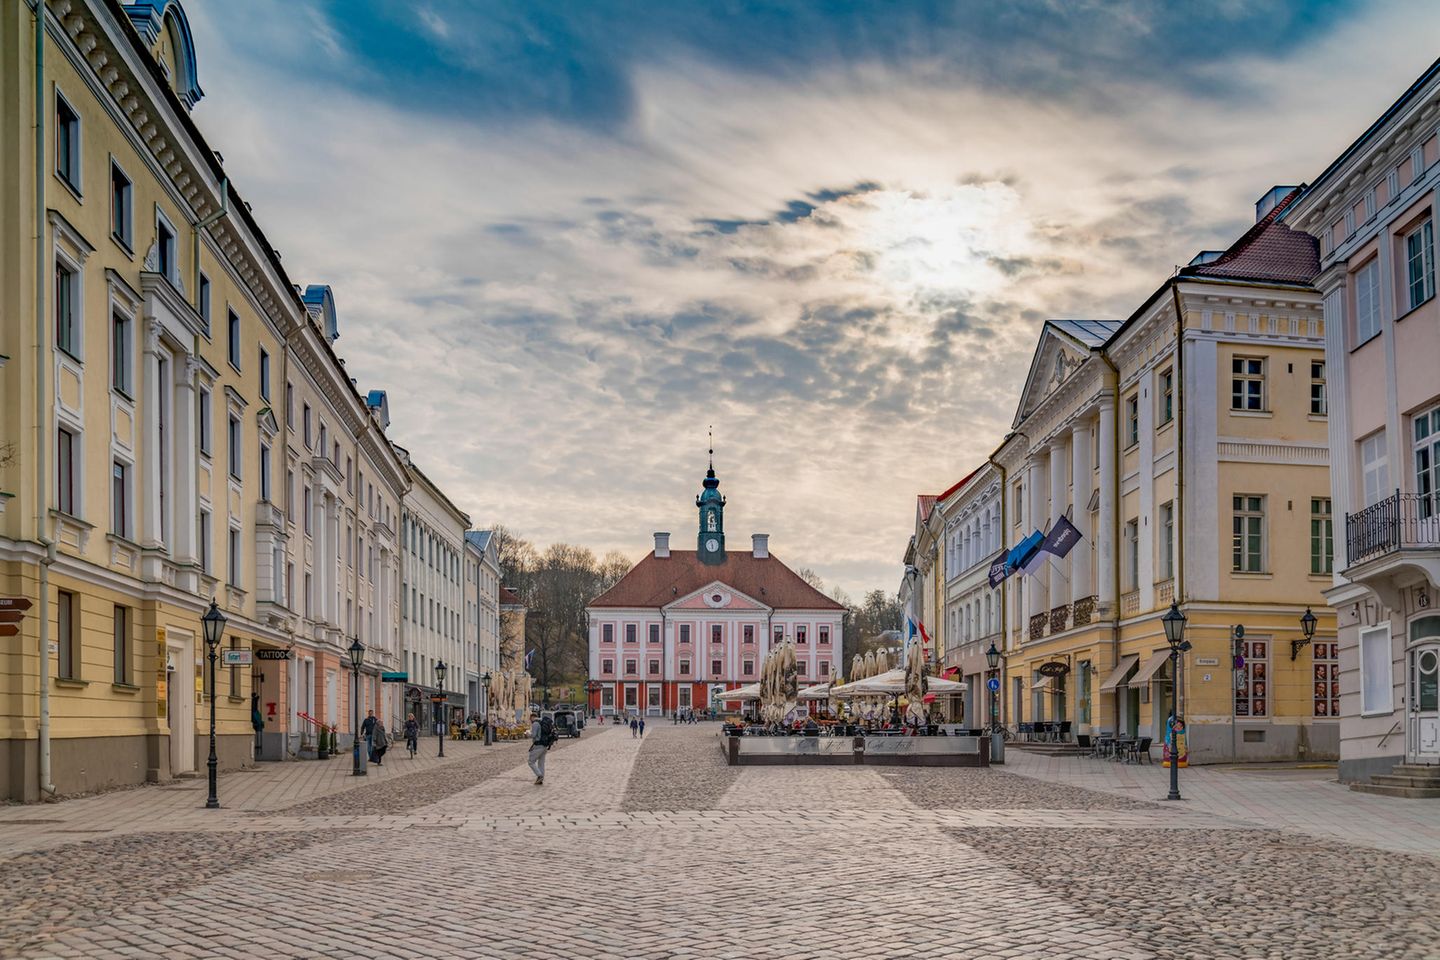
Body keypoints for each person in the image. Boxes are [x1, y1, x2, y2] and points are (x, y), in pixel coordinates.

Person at [529, 710, 556, 785]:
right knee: (541, 763)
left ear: (532, 717)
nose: (530, 720)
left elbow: (534, 735)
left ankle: (539, 775)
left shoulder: (535, 724)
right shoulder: (542, 722)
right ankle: (541, 778)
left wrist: (528, 734)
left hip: (538, 745)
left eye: (530, 718)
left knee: (531, 762)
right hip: (545, 745)